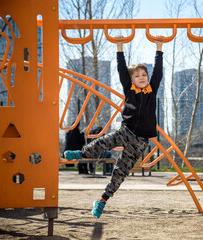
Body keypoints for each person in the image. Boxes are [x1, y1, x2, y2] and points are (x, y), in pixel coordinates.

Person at [64, 35, 164, 218]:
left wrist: (159, 48)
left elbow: (158, 72)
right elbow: (121, 69)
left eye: (144, 75)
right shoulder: (129, 89)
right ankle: (82, 153)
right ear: (131, 79)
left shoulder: (152, 90)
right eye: (137, 75)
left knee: (120, 173)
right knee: (104, 141)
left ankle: (101, 200)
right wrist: (119, 47)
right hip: (127, 132)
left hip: (141, 141)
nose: (141, 77)